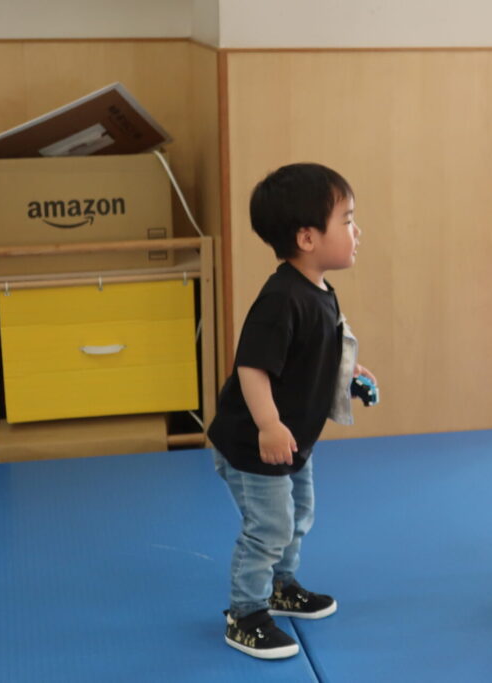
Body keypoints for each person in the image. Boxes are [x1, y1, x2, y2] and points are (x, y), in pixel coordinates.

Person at [208, 162, 376, 659]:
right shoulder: (281, 298)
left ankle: (281, 586)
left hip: (294, 441)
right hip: (255, 444)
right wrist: (268, 424)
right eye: (347, 220)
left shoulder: (318, 290)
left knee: (299, 515)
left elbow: (314, 353)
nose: (357, 231)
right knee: (269, 527)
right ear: (307, 237)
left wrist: (349, 374)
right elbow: (251, 367)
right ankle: (245, 614)